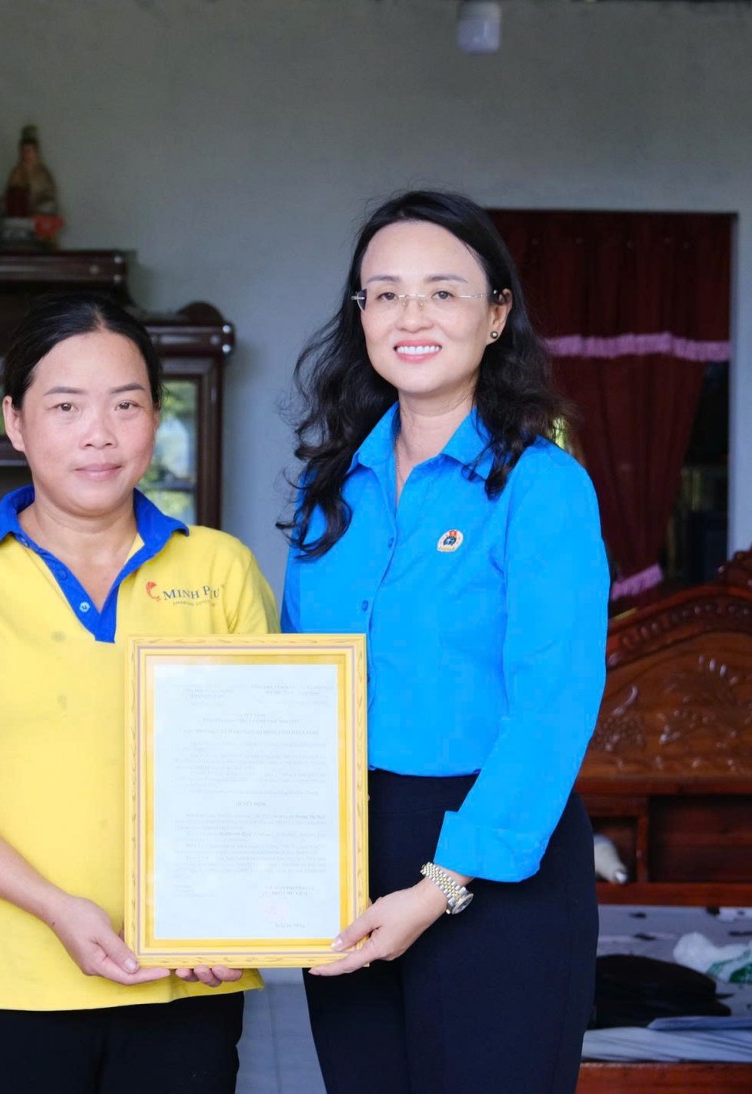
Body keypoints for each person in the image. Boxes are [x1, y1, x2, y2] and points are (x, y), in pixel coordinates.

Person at [0, 293, 272, 1093]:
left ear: (156, 416)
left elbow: (267, 767)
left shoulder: (220, 570)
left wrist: (236, 911)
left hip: (185, 972)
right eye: (65, 406)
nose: (100, 434)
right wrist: (55, 906)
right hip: (9, 983)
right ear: (15, 422)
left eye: (127, 404)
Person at [280, 190, 611, 1093]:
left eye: (443, 292)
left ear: (496, 314)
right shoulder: (328, 490)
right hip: (349, 859)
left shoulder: (543, 487)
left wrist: (440, 888)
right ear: (361, 316)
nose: (411, 316)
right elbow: (297, 693)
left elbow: (552, 711)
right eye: (385, 294)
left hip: (497, 866)